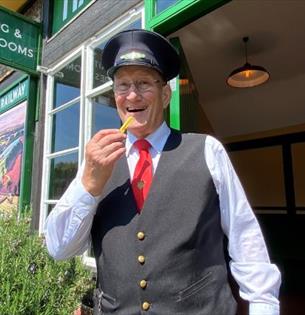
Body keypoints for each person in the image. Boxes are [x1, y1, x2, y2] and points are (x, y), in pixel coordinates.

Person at [45, 29, 281, 315]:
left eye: (144, 83)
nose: (132, 94)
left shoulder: (208, 151)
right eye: (122, 85)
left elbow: (246, 239)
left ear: (165, 94)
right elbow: (59, 248)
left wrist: (263, 306)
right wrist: (90, 185)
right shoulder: (96, 163)